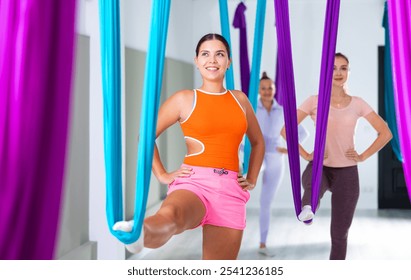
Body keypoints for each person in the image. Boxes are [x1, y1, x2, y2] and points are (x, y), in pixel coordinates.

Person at [113, 33, 265, 260]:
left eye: (219, 54)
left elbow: (258, 141)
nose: (212, 60)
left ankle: (140, 234)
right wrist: (162, 174)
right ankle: (139, 234)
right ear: (196, 60)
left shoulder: (240, 100)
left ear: (228, 62)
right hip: (195, 182)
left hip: (230, 191)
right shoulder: (184, 99)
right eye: (205, 54)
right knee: (172, 214)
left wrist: (251, 178)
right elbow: (145, 136)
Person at [281, 53, 392, 260]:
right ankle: (308, 208)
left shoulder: (357, 103)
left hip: (347, 173)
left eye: (343, 68)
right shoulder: (314, 101)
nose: (339, 73)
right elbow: (287, 130)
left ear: (348, 72)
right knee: (311, 189)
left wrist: (363, 155)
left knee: (339, 235)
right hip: (320, 167)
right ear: (325, 72)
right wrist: (306, 154)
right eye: (333, 68)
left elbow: (386, 132)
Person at [256, 72, 308, 257]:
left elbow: (302, 134)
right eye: (263, 88)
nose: (267, 91)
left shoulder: (284, 110)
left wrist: (287, 150)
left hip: (276, 159)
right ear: (258, 90)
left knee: (265, 202)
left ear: (275, 90)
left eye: (270, 88)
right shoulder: (252, 109)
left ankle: (262, 244)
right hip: (256, 157)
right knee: (245, 185)